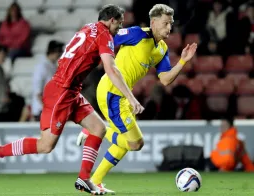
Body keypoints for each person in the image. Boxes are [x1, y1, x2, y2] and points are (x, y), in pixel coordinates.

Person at [0, 4, 144, 195]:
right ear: (112, 20)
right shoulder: (104, 35)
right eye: (119, 24)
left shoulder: (87, 27)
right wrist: (131, 98)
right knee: (45, 145)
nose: (119, 29)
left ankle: (84, 179)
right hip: (62, 92)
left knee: (98, 129)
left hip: (71, 90)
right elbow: (111, 69)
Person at [77, 4, 197, 194]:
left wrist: (182, 61)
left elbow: (165, 79)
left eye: (171, 24)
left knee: (124, 144)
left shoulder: (162, 49)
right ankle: (95, 128)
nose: (169, 28)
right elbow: (108, 36)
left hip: (122, 96)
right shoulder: (136, 33)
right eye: (165, 23)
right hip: (111, 91)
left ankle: (94, 182)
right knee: (135, 143)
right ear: (153, 22)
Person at [31, 40, 64, 121]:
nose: (60, 54)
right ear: (53, 51)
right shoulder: (42, 67)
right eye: (59, 51)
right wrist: (47, 109)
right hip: (41, 111)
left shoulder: (53, 66)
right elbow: (38, 92)